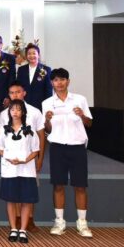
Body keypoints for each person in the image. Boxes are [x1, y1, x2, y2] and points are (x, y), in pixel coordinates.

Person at [42, 68, 93, 238]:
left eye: (63, 79)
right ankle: (59, 221)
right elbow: (47, 129)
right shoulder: (47, 102)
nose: (60, 83)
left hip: (77, 146)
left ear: (68, 81)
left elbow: (89, 123)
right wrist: (47, 119)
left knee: (80, 185)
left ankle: (82, 223)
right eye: (56, 80)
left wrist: (82, 115)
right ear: (52, 83)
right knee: (58, 185)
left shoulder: (80, 99)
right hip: (57, 147)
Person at [2, 81, 46, 231]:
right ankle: (16, 221)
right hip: (11, 161)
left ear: (24, 93)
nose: (15, 95)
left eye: (18, 92)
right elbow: (1, 139)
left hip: (29, 159)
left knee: (28, 191)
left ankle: (29, 220)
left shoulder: (35, 111)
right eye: (12, 93)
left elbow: (41, 136)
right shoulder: (4, 114)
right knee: (13, 192)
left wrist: (40, 158)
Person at [0, 100, 40, 244]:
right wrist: (9, 158)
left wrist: (24, 160)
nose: (15, 112)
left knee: (26, 200)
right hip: (10, 170)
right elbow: (0, 148)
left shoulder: (30, 130)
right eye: (12, 109)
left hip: (26, 170)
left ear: (23, 112)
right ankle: (13, 228)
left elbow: (35, 150)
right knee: (11, 199)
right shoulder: (3, 130)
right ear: (9, 112)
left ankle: (23, 230)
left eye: (18, 109)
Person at [17, 43, 52, 109]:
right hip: (24, 104)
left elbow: (49, 90)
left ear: (38, 55)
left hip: (40, 105)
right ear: (26, 56)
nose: (31, 56)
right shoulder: (21, 69)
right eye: (29, 54)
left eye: (34, 53)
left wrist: (47, 106)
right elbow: (19, 87)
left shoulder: (46, 69)